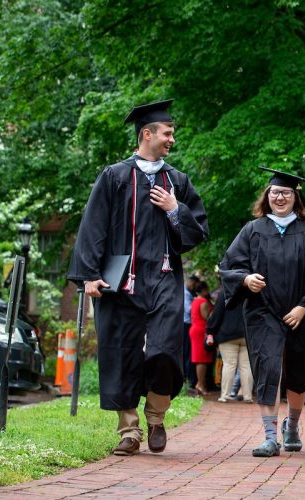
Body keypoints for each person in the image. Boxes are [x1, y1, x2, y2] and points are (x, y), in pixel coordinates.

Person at [67, 99, 209, 456]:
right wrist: (87, 276)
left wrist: (175, 210)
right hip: (121, 280)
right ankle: (129, 431)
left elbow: (198, 232)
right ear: (147, 134)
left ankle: (156, 418)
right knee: (120, 352)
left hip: (162, 278)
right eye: (167, 133)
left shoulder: (177, 180)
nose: (171, 139)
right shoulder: (114, 176)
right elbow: (93, 227)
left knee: (164, 351)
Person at [219, 167, 305, 457]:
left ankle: (292, 426)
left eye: (286, 192)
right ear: (267, 195)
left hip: (302, 312)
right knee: (267, 367)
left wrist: (304, 306)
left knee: (299, 370)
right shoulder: (253, 229)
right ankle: (270, 437)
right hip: (263, 311)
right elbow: (229, 265)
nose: (280, 197)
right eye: (275, 192)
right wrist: (246, 279)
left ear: (296, 196)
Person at [208, 288, 254, 403]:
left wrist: (210, 331)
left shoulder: (225, 292)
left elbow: (217, 313)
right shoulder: (251, 292)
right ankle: (248, 396)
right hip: (246, 334)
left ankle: (224, 395)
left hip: (227, 334)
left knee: (229, 365)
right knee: (246, 366)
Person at [189, 281, 214, 395]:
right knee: (201, 360)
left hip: (195, 328)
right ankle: (200, 384)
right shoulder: (203, 302)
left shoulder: (195, 300)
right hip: (201, 330)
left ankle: (201, 384)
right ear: (203, 290)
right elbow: (206, 318)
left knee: (199, 358)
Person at [183, 275, 199, 391]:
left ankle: (188, 379)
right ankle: (188, 379)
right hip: (186, 324)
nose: (194, 287)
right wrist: (197, 302)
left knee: (188, 352)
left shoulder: (188, 293)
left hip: (187, 324)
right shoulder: (186, 294)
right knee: (188, 352)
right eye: (193, 284)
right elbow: (189, 309)